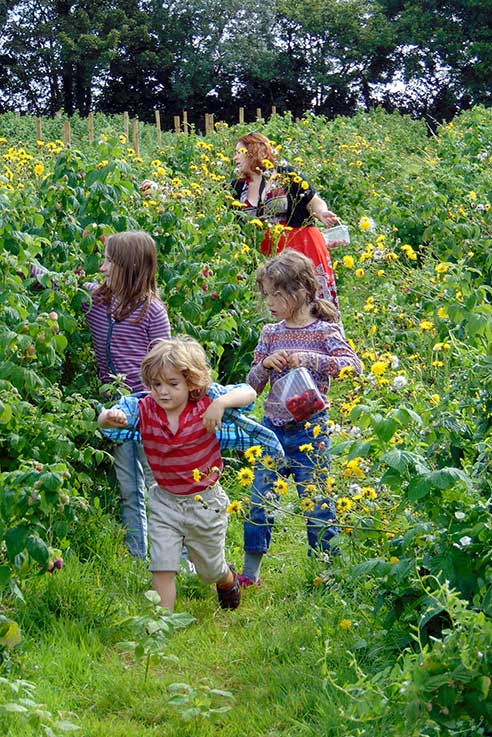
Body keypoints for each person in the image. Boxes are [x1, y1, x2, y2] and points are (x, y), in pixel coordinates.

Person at [98, 336, 262, 612]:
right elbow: (110, 416)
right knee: (162, 565)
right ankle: (163, 624)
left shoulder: (205, 403)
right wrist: (108, 418)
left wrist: (220, 405)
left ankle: (225, 577)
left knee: (207, 569)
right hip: (165, 500)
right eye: (156, 385)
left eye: (173, 384)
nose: (163, 392)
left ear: (191, 383)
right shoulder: (143, 409)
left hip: (205, 500)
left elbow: (249, 392)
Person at [239, 250, 362, 588]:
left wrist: (308, 359)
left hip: (311, 429)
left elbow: (353, 366)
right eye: (266, 294)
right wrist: (264, 365)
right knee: (259, 497)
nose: (270, 302)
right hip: (272, 430)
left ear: (302, 291)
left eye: (276, 294)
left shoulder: (325, 331)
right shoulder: (270, 333)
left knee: (317, 502)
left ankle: (325, 572)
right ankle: (250, 574)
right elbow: (251, 386)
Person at [84, 230, 171, 560]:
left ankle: (176, 556)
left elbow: (165, 363)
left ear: (129, 267)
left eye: (110, 261)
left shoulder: (152, 312)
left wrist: (162, 405)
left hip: (149, 408)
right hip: (118, 409)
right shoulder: (97, 300)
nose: (103, 268)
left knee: (157, 484)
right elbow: (59, 284)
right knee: (128, 486)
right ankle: (138, 556)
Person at [231, 131, 344, 312]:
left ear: (254, 151)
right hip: (266, 256)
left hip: (301, 248)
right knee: (275, 308)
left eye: (239, 152)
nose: (235, 157)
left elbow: (313, 200)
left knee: (311, 308)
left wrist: (322, 213)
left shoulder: (286, 175)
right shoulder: (236, 186)